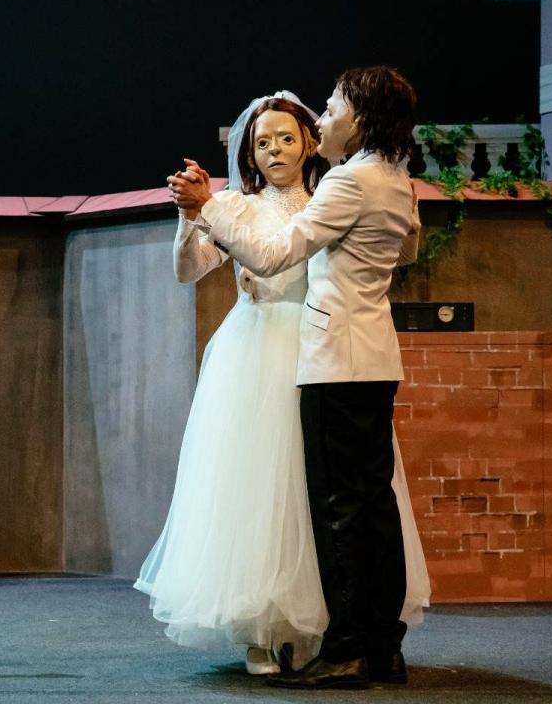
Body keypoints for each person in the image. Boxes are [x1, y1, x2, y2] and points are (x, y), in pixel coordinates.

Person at [139, 92, 428, 678]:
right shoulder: (237, 206)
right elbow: (190, 269)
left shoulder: (335, 194)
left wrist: (209, 208)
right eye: (262, 142)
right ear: (248, 153)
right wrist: (191, 215)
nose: (275, 150)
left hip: (320, 350)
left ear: (309, 143)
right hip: (255, 352)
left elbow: (293, 256)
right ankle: (262, 628)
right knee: (260, 491)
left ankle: (328, 625)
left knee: (326, 496)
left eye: (287, 138)